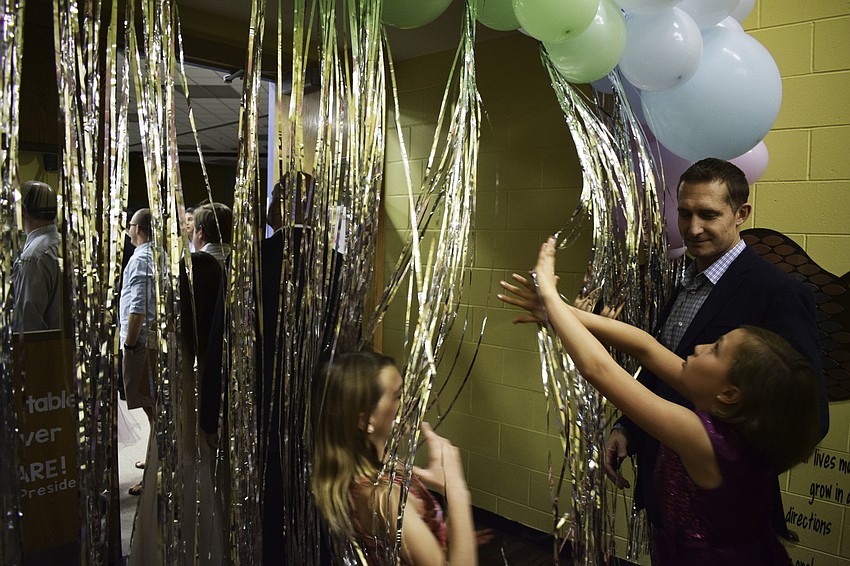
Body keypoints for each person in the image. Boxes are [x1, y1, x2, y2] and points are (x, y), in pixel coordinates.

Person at [499, 238, 821, 564]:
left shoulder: (705, 438)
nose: (702, 346)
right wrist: (560, 313)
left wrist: (551, 296)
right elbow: (646, 347)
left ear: (729, 394)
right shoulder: (722, 406)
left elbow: (598, 369)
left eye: (716, 349)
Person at [607, 158, 827, 542]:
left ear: (741, 213)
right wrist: (628, 428)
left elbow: (808, 417)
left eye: (708, 214)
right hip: (665, 496)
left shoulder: (777, 293)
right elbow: (666, 373)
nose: (693, 229)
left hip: (723, 519)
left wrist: (727, 471)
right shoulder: (684, 280)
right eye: (685, 213)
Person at [312, 351, 476, 566]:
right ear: (365, 421)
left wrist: (452, 535)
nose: (412, 401)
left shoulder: (380, 469)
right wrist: (457, 490)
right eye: (399, 395)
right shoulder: (384, 498)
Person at [119, 208, 157, 496]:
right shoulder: (155, 255)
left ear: (139, 229)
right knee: (152, 408)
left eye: (130, 225)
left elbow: (138, 308)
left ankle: (158, 468)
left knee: (152, 408)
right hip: (147, 342)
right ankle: (156, 457)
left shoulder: (142, 258)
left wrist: (130, 345)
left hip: (141, 344)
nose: (127, 229)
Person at [12, 180, 61, 332]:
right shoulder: (65, 244)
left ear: (23, 211)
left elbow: (27, 325)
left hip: (41, 351)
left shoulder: (32, 258)